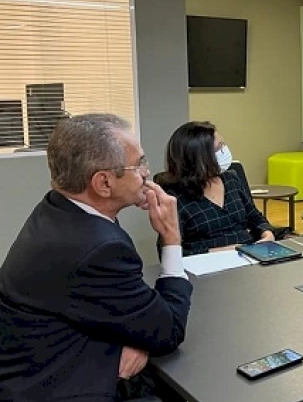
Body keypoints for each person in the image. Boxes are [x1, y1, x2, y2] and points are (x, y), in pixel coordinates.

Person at [0, 114, 193, 401]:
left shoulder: (56, 209)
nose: (146, 173)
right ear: (103, 183)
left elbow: (88, 302)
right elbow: (168, 331)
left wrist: (135, 339)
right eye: (139, 165)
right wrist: (172, 238)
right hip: (54, 387)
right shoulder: (97, 248)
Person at [156, 121, 277, 256]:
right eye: (219, 148)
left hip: (249, 256)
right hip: (207, 266)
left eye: (223, 144)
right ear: (200, 158)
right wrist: (224, 251)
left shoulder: (231, 179)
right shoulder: (175, 197)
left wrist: (267, 235)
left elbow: (254, 217)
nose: (224, 151)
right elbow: (170, 252)